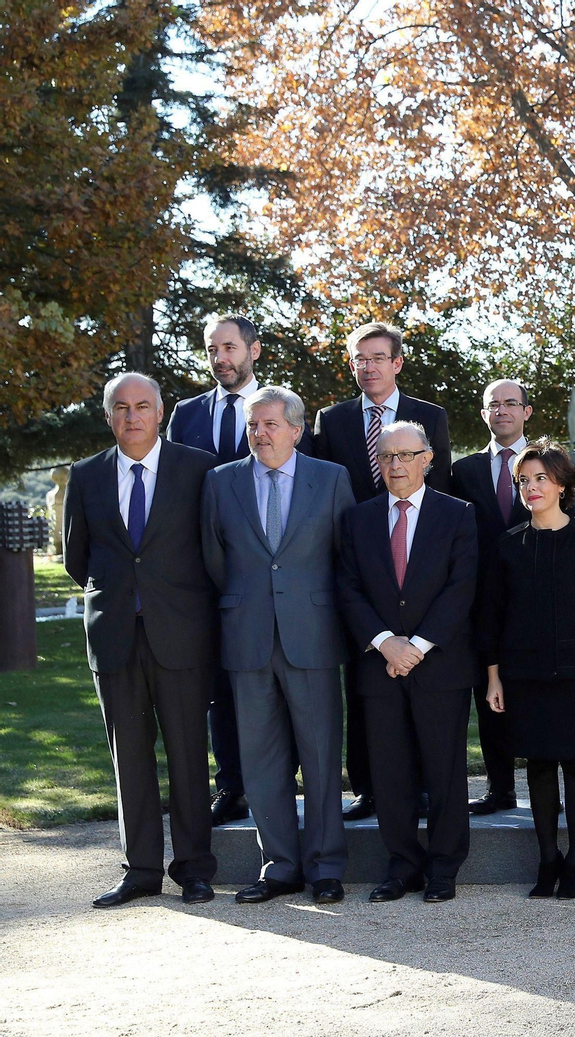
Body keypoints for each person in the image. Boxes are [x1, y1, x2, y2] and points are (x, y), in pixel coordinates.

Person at [63, 373, 219, 908]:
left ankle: (194, 870)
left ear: (160, 412)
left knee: (188, 756)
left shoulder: (198, 469)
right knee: (128, 758)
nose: (133, 416)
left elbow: (212, 549)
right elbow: (76, 557)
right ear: (108, 415)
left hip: (181, 634)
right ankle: (141, 871)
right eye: (122, 407)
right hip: (114, 637)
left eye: (143, 406)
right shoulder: (86, 475)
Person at [202, 386, 356, 904]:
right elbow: (215, 559)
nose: (260, 433)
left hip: (311, 635)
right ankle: (280, 866)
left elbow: (345, 556)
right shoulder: (221, 481)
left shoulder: (330, 478)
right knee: (261, 760)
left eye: (270, 424)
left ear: (296, 429)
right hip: (246, 636)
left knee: (320, 756)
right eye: (253, 424)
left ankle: (326, 867)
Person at [308, 321, 451, 822]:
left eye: (377, 357)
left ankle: (424, 785)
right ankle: (368, 786)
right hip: (360, 564)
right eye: (359, 359)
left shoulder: (429, 416)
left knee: (423, 681)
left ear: (397, 363)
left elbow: (441, 487)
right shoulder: (332, 420)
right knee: (363, 682)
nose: (367, 366)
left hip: (417, 561)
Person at [336, 421, 478, 903]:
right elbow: (348, 588)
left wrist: (416, 646)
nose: (395, 464)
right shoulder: (357, 519)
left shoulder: (457, 514)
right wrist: (384, 643)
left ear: (428, 459)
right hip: (379, 666)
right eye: (386, 456)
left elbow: (461, 587)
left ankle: (443, 868)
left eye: (405, 455)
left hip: (439, 666)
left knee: (444, 772)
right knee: (389, 772)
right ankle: (401, 866)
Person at [484, 441, 575, 900]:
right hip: (523, 674)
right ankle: (548, 859)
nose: (532, 487)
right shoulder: (507, 546)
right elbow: (492, 617)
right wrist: (493, 676)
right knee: (539, 764)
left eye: (541, 478)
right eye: (524, 480)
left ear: (561, 484)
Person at [166, 313, 268, 826]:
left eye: (229, 347)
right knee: (217, 689)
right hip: (201, 579)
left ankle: (276, 781)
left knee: (271, 684)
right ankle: (231, 786)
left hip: (266, 575)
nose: (220, 358)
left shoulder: (280, 409)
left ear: (253, 350)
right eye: (212, 349)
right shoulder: (185, 415)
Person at [450, 379, 533, 815]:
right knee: (489, 695)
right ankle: (500, 789)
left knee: (538, 696)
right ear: (484, 414)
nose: (502, 410)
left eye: (511, 403)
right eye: (493, 405)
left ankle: (545, 791)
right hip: (481, 602)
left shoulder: (547, 463)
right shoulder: (462, 472)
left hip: (534, 598)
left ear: (526, 411)